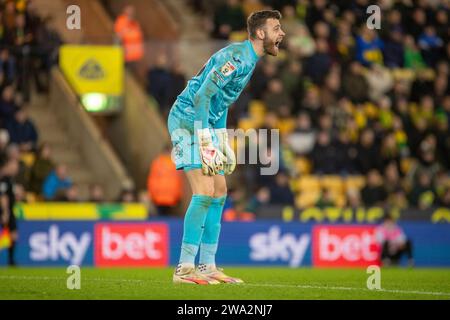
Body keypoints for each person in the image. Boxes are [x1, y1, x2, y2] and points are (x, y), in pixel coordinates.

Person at [168, 10, 285, 284]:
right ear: (260, 33)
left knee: (220, 190)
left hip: (205, 122)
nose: (282, 34)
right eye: (277, 28)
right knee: (205, 190)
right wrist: (205, 137)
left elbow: (219, 103)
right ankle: (184, 268)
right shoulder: (236, 59)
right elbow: (201, 97)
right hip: (187, 119)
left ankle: (207, 265)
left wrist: (221, 140)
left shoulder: (249, 60)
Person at [0, 157, 19, 266]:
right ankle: (11, 261)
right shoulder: (4, 179)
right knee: (9, 234)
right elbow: (3, 196)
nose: (16, 168)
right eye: (14, 165)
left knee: (14, 235)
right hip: (6, 211)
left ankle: (11, 261)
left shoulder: (10, 179)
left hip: (10, 210)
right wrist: (5, 212)